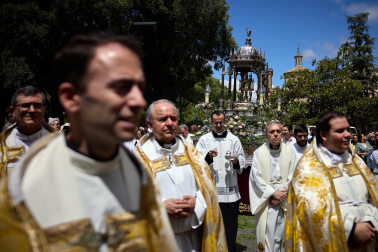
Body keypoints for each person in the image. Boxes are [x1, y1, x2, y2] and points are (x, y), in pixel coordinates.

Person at [0, 33, 178, 251]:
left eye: (139, 87)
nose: (139, 101)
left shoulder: (136, 171)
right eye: (120, 87)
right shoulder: (27, 185)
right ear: (71, 97)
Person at [134, 100, 227, 252]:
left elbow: (209, 193)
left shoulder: (192, 155)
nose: (169, 123)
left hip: (194, 241)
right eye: (163, 119)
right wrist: (159, 207)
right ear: (150, 125)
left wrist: (197, 204)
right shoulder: (138, 159)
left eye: (174, 118)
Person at [285, 111, 378, 251]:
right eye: (340, 131)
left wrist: (372, 223)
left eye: (348, 129)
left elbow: (374, 197)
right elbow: (311, 209)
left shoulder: (358, 162)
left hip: (369, 237)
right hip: (335, 240)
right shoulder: (309, 167)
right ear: (323, 135)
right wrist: (351, 229)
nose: (347, 134)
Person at [196, 111, 246, 252]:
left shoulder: (234, 139)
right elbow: (196, 161)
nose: (218, 125)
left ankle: (229, 248)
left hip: (230, 191)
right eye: (216, 122)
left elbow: (242, 158)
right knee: (211, 224)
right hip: (212, 190)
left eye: (221, 122)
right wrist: (208, 157)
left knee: (230, 225)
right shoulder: (204, 140)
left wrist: (236, 160)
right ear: (211, 122)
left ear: (225, 122)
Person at [249, 121, 294, 252]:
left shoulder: (290, 151)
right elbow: (255, 177)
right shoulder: (259, 153)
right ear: (266, 135)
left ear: (282, 133)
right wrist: (271, 193)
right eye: (272, 132)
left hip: (283, 198)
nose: (275, 134)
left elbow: (293, 175)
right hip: (267, 199)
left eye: (278, 131)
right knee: (267, 234)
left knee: (281, 235)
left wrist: (281, 194)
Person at [0, 86, 55, 177]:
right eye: (25, 105)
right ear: (13, 110)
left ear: (44, 109)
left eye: (37, 105)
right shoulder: (2, 144)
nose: (32, 110)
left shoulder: (59, 143)